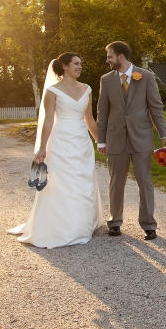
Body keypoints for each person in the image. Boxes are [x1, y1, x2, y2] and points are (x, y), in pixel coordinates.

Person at [8, 53, 103, 248]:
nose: (80, 67)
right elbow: (49, 120)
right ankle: (62, 226)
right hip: (60, 141)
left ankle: (82, 225)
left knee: (83, 181)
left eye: (81, 64)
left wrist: (99, 141)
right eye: (76, 63)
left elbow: (89, 118)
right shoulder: (52, 91)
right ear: (65, 67)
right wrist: (42, 147)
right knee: (62, 182)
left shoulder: (87, 89)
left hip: (81, 142)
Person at [96, 41, 166, 241]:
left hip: (141, 139)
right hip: (116, 140)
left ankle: (149, 224)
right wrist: (101, 140)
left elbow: (156, 109)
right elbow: (102, 112)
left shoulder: (146, 77)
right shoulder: (106, 80)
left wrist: (164, 134)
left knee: (145, 182)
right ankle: (115, 222)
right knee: (116, 182)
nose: (108, 60)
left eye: (110, 56)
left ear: (121, 56)